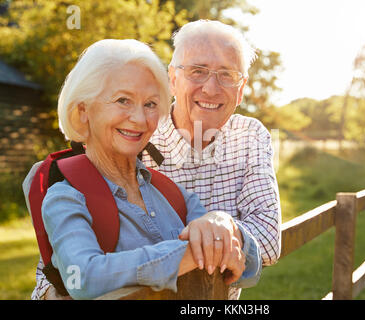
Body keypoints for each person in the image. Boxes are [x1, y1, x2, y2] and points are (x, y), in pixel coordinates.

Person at [29, 19, 281, 300]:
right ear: (173, 79)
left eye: (150, 104)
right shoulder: (98, 166)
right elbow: (70, 272)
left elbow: (257, 253)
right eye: (198, 71)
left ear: (242, 86)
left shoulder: (175, 193)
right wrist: (190, 253)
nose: (211, 88)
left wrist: (223, 227)